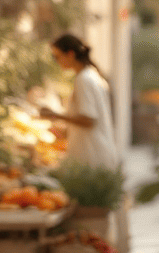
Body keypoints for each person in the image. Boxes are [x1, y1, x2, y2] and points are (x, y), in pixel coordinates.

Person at [40, 34, 119, 169]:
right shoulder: (90, 75)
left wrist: (54, 115)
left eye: (57, 56)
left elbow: (88, 120)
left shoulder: (84, 79)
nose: (56, 61)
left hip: (92, 159)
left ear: (70, 54)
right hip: (95, 155)